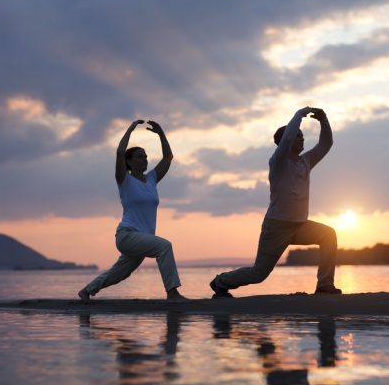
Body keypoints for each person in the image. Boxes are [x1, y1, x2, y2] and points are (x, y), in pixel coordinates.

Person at [210, 107, 341, 298]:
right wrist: (299, 115)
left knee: (328, 235)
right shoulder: (278, 162)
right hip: (276, 227)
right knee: (258, 274)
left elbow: (326, 144)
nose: (302, 138)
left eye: (302, 135)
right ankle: (220, 282)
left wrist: (323, 119)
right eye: (298, 136)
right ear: (284, 143)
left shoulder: (306, 162)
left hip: (300, 225)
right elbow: (287, 139)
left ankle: (324, 286)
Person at [78, 119, 187, 302]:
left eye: (145, 156)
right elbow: (120, 152)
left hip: (141, 238)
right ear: (128, 162)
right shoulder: (124, 180)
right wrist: (130, 129)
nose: (144, 160)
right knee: (164, 246)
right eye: (139, 157)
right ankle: (172, 293)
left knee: (120, 273)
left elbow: (168, 158)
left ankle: (87, 291)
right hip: (128, 235)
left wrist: (161, 133)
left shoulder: (152, 178)